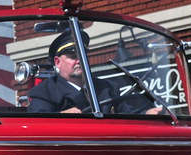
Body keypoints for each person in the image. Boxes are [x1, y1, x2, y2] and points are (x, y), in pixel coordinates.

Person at [27, 32, 159, 115]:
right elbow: (37, 125)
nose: (80, 61)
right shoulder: (44, 93)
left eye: (83, 56)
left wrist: (147, 113)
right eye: (73, 56)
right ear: (57, 62)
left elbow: (126, 113)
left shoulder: (107, 87)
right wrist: (61, 116)